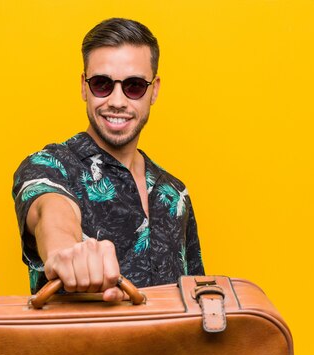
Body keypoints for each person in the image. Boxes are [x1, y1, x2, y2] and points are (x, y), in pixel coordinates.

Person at [12, 18, 204, 301]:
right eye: (102, 84)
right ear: (83, 86)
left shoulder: (175, 193)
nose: (116, 100)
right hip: (80, 346)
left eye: (134, 86)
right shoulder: (49, 165)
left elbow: (197, 298)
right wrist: (65, 251)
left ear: (154, 90)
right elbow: (49, 211)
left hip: (174, 347)